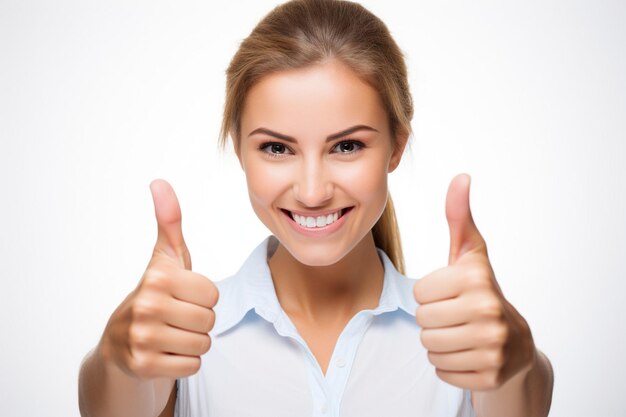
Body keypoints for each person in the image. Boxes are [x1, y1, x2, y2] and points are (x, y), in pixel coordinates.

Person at [78, 0, 554, 416]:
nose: (311, 192)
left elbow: (525, 399)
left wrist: (517, 363)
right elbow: (108, 406)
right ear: (238, 149)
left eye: (346, 146)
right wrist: (117, 359)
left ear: (395, 147)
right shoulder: (186, 335)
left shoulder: (464, 337)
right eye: (277, 149)